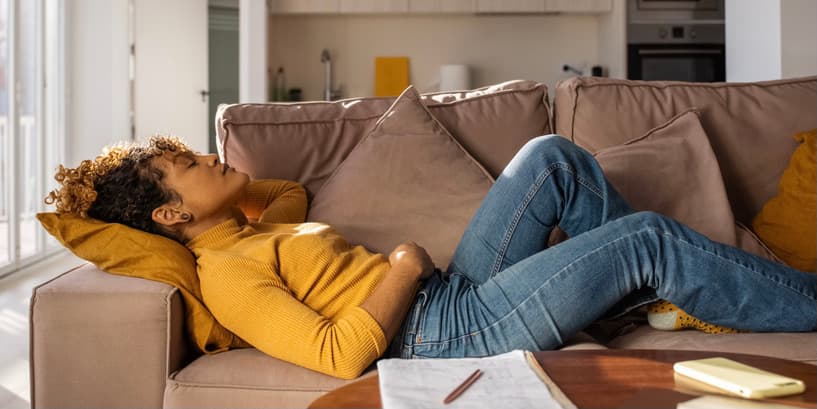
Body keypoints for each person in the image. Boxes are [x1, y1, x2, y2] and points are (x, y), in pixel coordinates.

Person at [46, 134, 817, 380]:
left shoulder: (251, 231)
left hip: (450, 294)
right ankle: (671, 282)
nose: (207, 157)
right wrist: (405, 268)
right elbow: (339, 353)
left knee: (549, 158)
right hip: (446, 330)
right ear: (170, 212)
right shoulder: (230, 272)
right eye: (187, 164)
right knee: (646, 235)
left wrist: (223, 196)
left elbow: (280, 190)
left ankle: (645, 298)